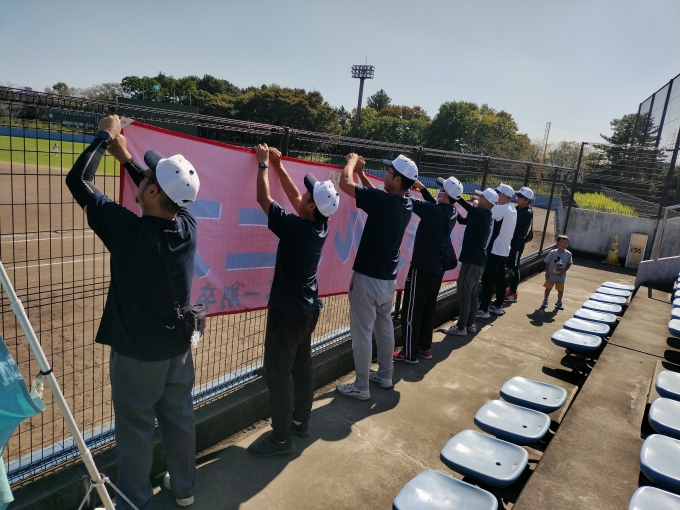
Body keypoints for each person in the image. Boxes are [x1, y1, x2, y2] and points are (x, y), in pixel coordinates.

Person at [66, 114, 200, 510]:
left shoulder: (130, 232)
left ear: (154, 190)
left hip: (138, 354)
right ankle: (185, 488)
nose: (142, 178)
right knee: (179, 417)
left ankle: (133, 500)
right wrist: (127, 160)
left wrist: (104, 137)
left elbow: (78, 181)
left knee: (136, 427)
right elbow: (161, 192)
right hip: (178, 350)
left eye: (148, 178)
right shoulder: (188, 225)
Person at [247, 145, 339, 457]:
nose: (303, 194)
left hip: (287, 313)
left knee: (278, 374)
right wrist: (280, 166)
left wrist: (263, 165)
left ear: (312, 206)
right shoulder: (320, 223)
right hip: (307, 310)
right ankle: (300, 422)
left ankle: (281, 439)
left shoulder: (297, 228)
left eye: (308, 193)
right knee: (302, 367)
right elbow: (296, 197)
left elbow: (264, 199)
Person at [336, 154, 416, 400]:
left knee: (362, 333)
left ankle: (361, 387)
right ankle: (385, 375)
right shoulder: (406, 203)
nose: (385, 176)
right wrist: (362, 174)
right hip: (388, 279)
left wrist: (351, 163)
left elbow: (344, 184)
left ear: (398, 180)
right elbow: (376, 197)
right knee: (384, 327)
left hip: (368, 278)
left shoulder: (384, 201)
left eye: (389, 173)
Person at [394, 176, 459, 364]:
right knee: (428, 308)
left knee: (411, 310)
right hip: (437, 269)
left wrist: (405, 182)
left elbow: (407, 198)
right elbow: (434, 206)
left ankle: (409, 353)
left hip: (422, 267)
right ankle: (424, 347)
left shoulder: (434, 211)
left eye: (441, 189)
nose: (438, 191)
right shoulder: (451, 211)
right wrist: (423, 189)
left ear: (445, 194)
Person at [444, 188, 497, 336]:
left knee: (464, 294)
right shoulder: (484, 215)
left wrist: (453, 192)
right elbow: (462, 220)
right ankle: (470, 323)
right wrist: (452, 206)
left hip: (471, 261)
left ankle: (461, 327)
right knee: (472, 293)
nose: (478, 199)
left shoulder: (481, 213)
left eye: (481, 197)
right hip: (477, 262)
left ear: (486, 201)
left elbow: (466, 205)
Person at [477, 183, 517, 318]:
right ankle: (498, 306)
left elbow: (484, 208)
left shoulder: (501, 209)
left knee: (488, 280)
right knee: (500, 279)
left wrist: (475, 201)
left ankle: (484, 309)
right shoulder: (512, 209)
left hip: (495, 250)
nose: (495, 196)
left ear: (503, 195)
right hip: (505, 250)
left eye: (497, 193)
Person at [504, 186, 534, 302]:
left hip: (517, 245)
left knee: (514, 267)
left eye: (520, 197)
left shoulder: (527, 212)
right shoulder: (519, 208)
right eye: (517, 196)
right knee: (510, 265)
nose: (517, 198)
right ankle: (511, 289)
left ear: (527, 200)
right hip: (511, 242)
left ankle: (513, 293)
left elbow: (513, 221)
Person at [542, 235, 572, 310]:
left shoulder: (568, 254)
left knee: (560, 290)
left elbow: (569, 264)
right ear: (557, 243)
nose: (564, 244)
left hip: (561, 276)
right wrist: (547, 272)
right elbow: (547, 263)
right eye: (562, 242)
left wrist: (564, 271)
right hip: (551, 275)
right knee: (548, 288)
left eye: (566, 243)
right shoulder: (552, 252)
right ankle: (545, 301)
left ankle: (559, 302)